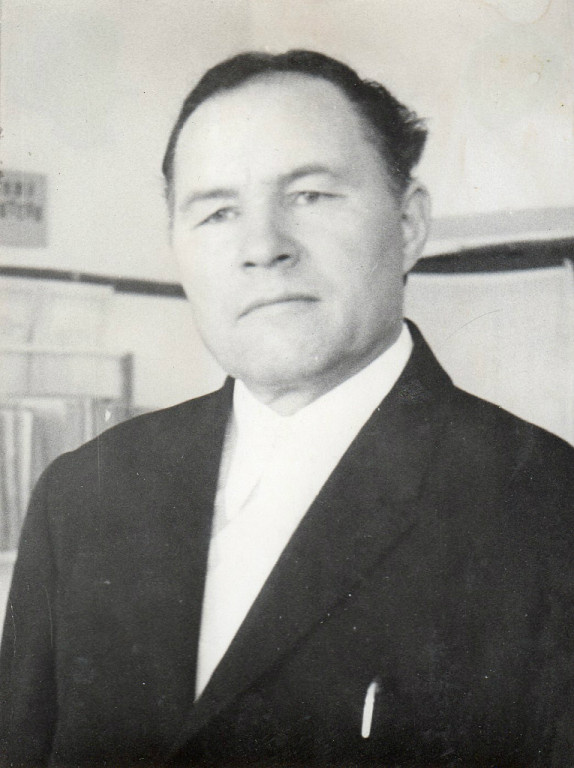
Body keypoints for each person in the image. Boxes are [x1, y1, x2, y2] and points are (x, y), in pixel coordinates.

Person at [1, 50, 573, 768]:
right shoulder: (82, 496)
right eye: (217, 212)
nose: (262, 247)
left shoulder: (546, 505)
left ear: (409, 224)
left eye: (310, 196)